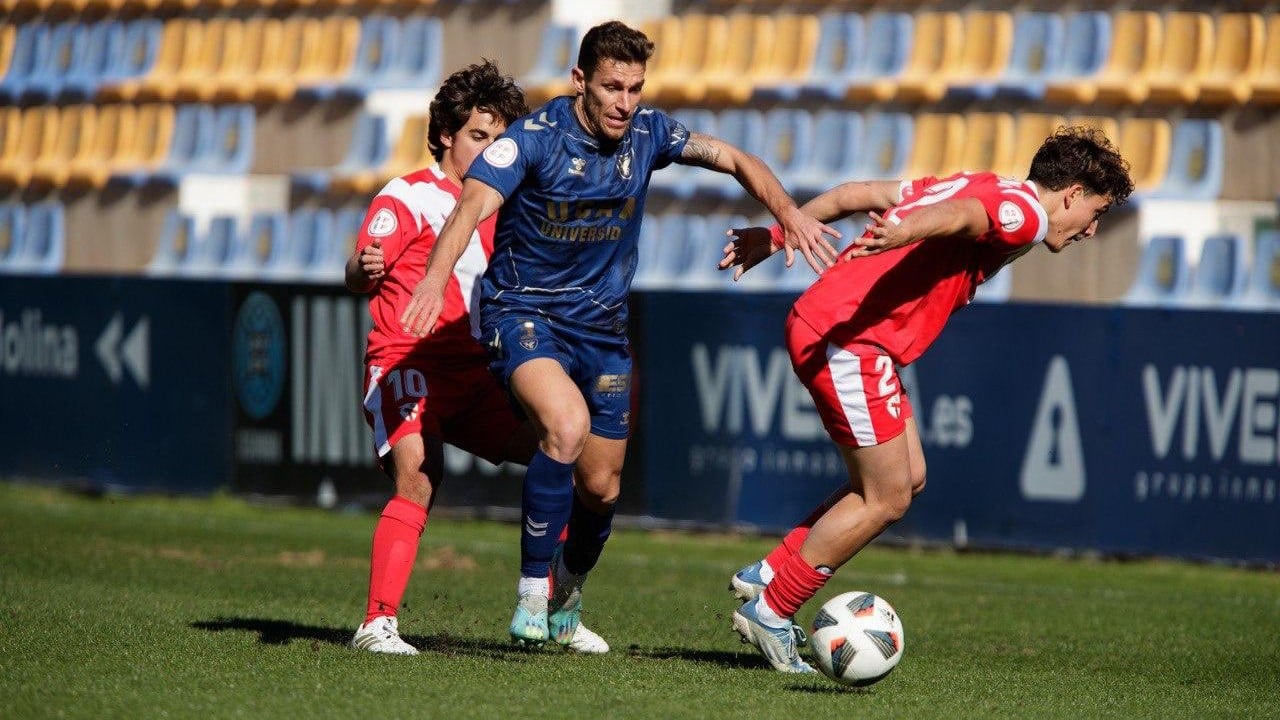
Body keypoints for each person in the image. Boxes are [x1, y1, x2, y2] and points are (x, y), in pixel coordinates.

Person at [399, 20, 839, 648]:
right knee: (566, 426)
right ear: (580, 81)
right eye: (612, 87)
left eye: (635, 88)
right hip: (524, 313)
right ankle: (531, 593)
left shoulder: (651, 134)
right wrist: (430, 281)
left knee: (602, 488)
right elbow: (469, 206)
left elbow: (734, 157)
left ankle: (567, 595)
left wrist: (787, 211)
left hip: (603, 331)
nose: (625, 103)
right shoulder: (534, 140)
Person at [719, 125, 1134, 673]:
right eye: (1097, 212)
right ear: (1072, 193)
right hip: (848, 340)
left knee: (908, 476)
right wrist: (906, 232)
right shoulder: (1026, 214)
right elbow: (965, 218)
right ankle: (771, 610)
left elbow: (855, 195)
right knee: (887, 497)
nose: (1090, 230)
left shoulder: (978, 182)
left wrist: (775, 237)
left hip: (846, 334)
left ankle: (772, 572)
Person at [344, 60, 607, 656]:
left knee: (561, 455)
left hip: (477, 373)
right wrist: (362, 268)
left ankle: (557, 613)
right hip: (407, 365)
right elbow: (362, 269)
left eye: (500, 140)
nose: (490, 150)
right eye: (477, 136)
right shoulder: (409, 195)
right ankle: (376, 623)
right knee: (420, 473)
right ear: (444, 134)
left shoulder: (504, 207)